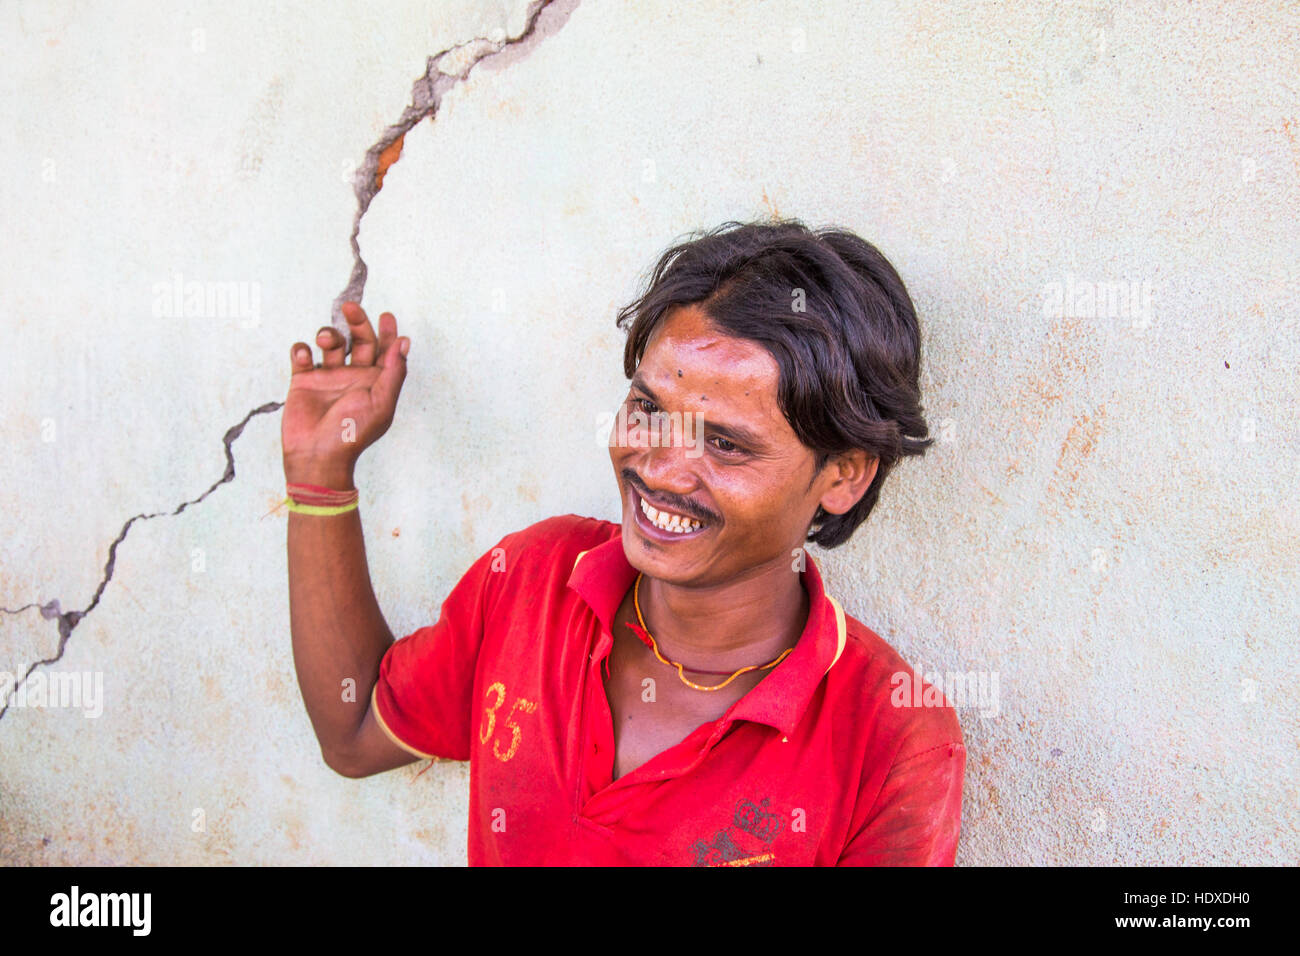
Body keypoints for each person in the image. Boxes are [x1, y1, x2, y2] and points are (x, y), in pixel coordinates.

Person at [281, 218, 965, 865]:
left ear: (842, 476)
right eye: (648, 409)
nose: (660, 469)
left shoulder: (892, 742)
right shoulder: (534, 578)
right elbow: (356, 734)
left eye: (724, 444)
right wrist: (318, 475)